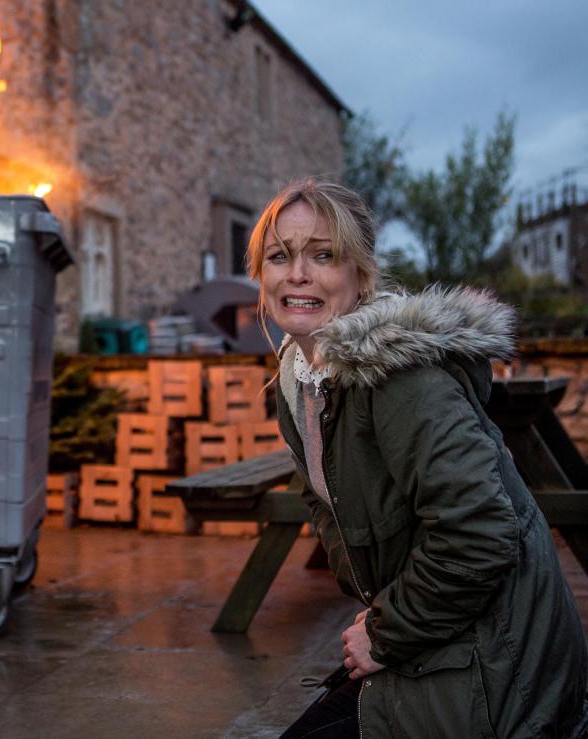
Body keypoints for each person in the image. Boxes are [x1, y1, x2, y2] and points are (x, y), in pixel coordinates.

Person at [246, 178, 588, 737]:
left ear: (361, 273)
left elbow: (479, 531)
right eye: (279, 256)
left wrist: (387, 632)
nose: (297, 274)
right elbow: (324, 501)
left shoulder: (400, 378)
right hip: (431, 632)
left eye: (323, 255)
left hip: (502, 669)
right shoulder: (299, 377)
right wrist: (385, 611)